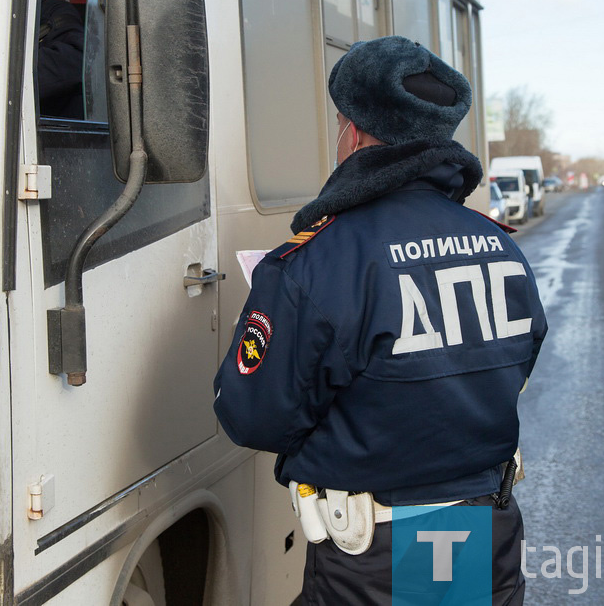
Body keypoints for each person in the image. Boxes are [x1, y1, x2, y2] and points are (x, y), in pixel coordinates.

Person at [213, 36, 547, 604]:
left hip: (377, 561)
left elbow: (253, 418)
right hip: (477, 531)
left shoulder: (317, 260)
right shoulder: (497, 244)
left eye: (342, 125)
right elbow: (509, 361)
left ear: (358, 132)